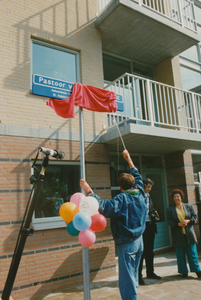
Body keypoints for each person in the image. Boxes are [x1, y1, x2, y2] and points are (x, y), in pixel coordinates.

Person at [80, 149, 147, 300]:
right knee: (133, 276)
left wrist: (89, 190)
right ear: (133, 184)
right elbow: (137, 175)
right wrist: (129, 159)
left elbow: (103, 206)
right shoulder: (141, 192)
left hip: (127, 244)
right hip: (139, 242)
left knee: (127, 281)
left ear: (121, 187)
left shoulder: (122, 198)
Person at [166, 189, 201, 278]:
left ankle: (197, 270)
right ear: (173, 198)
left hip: (189, 233)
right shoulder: (170, 209)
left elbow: (194, 216)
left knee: (193, 253)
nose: (176, 198)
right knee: (180, 254)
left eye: (178, 196)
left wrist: (188, 220)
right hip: (178, 234)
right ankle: (183, 272)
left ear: (181, 197)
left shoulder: (189, 206)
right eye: (175, 197)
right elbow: (169, 221)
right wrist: (178, 224)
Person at [138, 178, 161, 285]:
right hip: (142, 226)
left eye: (151, 187)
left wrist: (154, 211)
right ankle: (138, 276)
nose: (149, 189)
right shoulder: (138, 196)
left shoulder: (149, 196)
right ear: (143, 186)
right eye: (148, 187)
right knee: (141, 252)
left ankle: (150, 272)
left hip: (150, 226)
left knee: (150, 251)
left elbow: (149, 209)